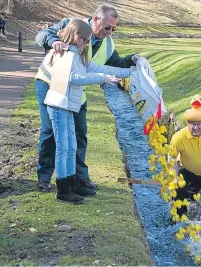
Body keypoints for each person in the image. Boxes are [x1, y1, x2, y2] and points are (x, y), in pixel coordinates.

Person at [35, 4, 140, 191]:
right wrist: (54, 42)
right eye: (108, 27)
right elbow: (42, 35)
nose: (110, 32)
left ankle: (77, 178)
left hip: (75, 91)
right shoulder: (73, 25)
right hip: (50, 84)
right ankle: (45, 177)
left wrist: (131, 61)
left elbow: (111, 64)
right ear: (96, 19)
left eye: (114, 29)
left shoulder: (108, 43)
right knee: (51, 132)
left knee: (79, 134)